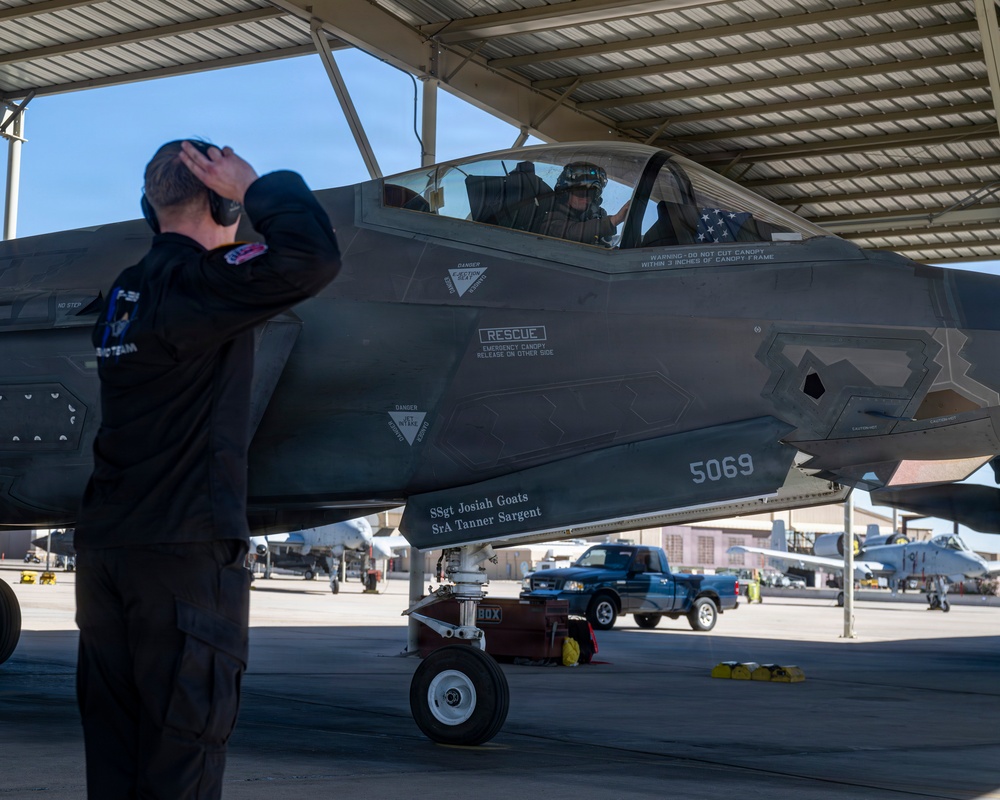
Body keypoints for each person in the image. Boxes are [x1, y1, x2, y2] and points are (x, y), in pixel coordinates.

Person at [74, 139, 341, 799]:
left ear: (147, 208)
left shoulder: (122, 296)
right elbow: (313, 257)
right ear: (222, 202)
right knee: (182, 761)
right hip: (183, 556)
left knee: (117, 761)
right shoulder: (200, 285)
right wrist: (257, 188)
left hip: (109, 553)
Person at [534, 161, 630, 246]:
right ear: (565, 194)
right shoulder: (551, 218)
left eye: (592, 194)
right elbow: (571, 233)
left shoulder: (593, 217)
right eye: (581, 192)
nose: (586, 198)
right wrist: (614, 220)